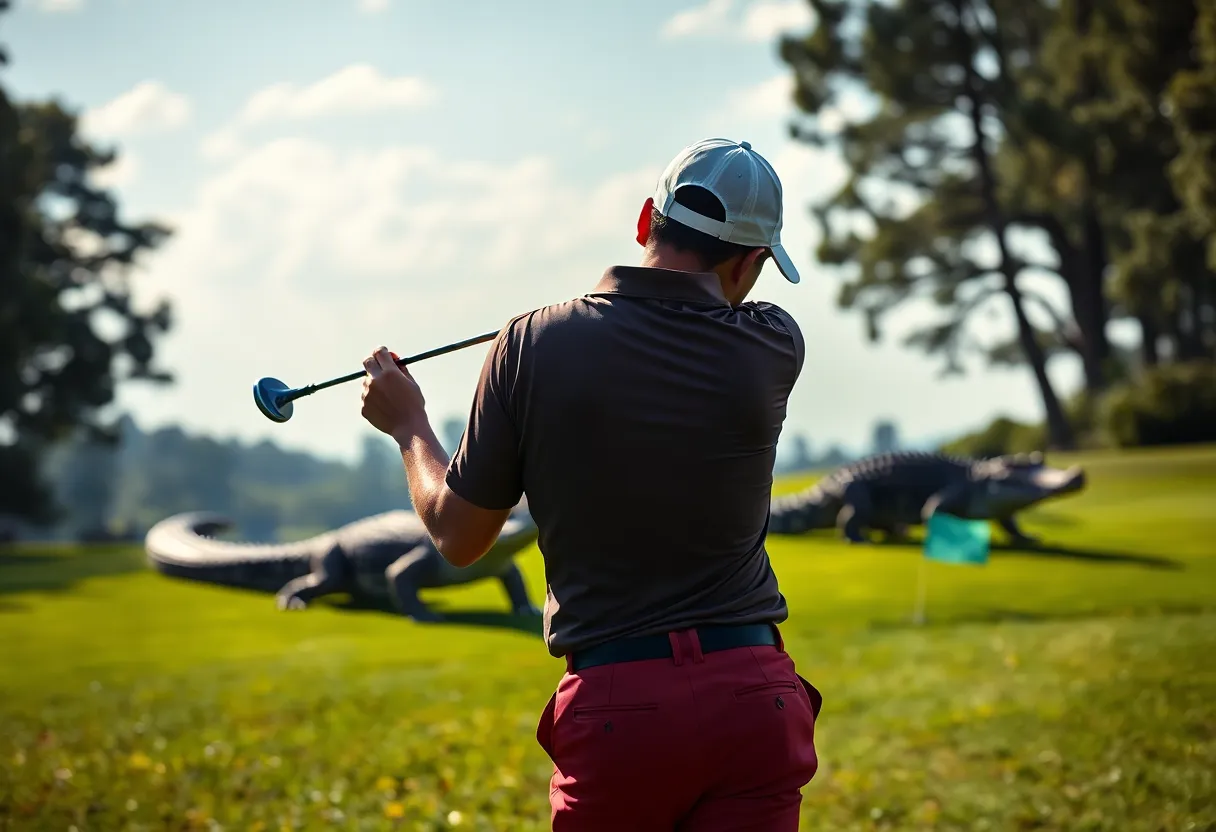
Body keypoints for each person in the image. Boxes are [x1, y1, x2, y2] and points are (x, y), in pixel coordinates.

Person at [359, 137, 822, 830]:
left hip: (619, 708)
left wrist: (410, 427)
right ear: (752, 262)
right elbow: (687, 314)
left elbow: (458, 536)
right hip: (754, 697)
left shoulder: (530, 344)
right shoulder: (774, 344)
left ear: (644, 220)